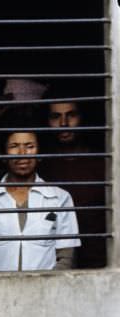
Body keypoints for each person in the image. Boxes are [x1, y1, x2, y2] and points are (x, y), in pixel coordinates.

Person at [0, 129, 80, 271]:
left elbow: (66, 257)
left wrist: (48, 288)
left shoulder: (60, 198)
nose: (22, 153)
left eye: (30, 146)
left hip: (45, 289)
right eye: (14, 146)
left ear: (40, 154)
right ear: (4, 155)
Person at [43, 94, 106, 268]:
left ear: (82, 117)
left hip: (98, 264)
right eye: (56, 116)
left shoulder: (104, 162)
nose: (63, 123)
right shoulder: (40, 164)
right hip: (52, 265)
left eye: (71, 115)